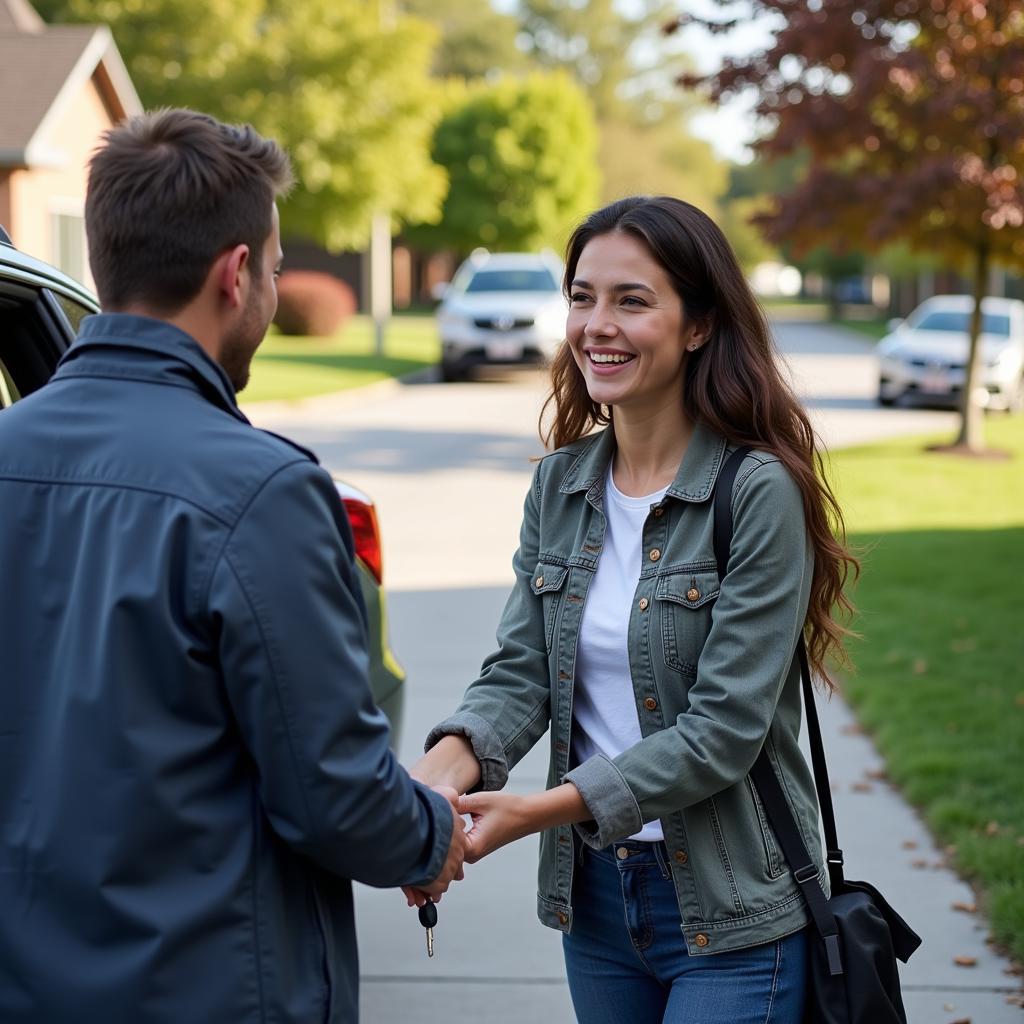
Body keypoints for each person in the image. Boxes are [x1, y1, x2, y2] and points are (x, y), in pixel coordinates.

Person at [0, 108, 466, 1023]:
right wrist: (431, 833)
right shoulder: (263, 492)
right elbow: (335, 793)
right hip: (209, 988)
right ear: (238, 272)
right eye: (278, 268)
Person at [409, 195, 858, 1023]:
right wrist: (430, 788)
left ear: (697, 325)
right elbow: (522, 671)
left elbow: (721, 731)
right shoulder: (560, 485)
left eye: (632, 300)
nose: (596, 325)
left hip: (734, 913)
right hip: (599, 905)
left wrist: (535, 813)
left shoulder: (756, 490)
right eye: (582, 297)